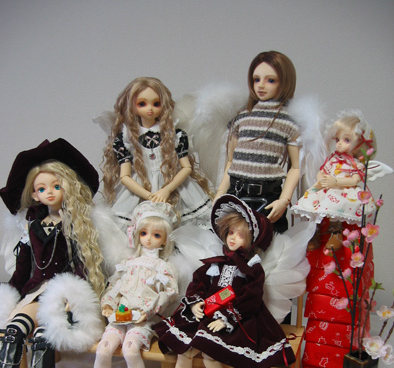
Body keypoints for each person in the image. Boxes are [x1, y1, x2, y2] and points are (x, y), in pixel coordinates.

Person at [152, 194, 295, 368]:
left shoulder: (252, 268)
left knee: (211, 355)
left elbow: (251, 297)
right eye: (230, 232)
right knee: (185, 351)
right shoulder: (215, 262)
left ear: (252, 240)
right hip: (207, 313)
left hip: (237, 317)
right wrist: (196, 302)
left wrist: (228, 316)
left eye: (240, 235)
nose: (233, 238)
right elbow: (199, 283)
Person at [0, 139, 106, 368]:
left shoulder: (76, 223)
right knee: (14, 332)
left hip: (62, 293)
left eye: (56, 186)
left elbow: (82, 265)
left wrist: (77, 298)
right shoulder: (31, 226)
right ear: (34, 194)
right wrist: (12, 298)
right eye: (42, 188)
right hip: (35, 291)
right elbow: (23, 268)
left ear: (67, 187)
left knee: (44, 338)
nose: (50, 192)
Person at [90, 201, 179, 368]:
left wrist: (149, 311)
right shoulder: (129, 263)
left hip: (143, 318)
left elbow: (169, 293)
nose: (148, 239)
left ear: (165, 239)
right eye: (144, 233)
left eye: (156, 235)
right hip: (120, 315)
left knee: (131, 350)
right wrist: (108, 304)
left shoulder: (164, 267)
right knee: (103, 349)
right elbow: (115, 286)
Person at [101, 77, 213, 229]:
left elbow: (186, 168)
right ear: (131, 106)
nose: (150, 109)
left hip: (175, 188)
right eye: (142, 104)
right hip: (140, 191)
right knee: (140, 232)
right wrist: (148, 196)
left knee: (183, 230)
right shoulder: (126, 138)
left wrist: (167, 189)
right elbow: (125, 177)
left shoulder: (175, 135)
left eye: (156, 103)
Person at [215, 51, 300, 234]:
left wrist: (284, 200)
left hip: (267, 197)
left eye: (271, 80)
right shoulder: (241, 117)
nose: (261, 85)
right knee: (233, 242)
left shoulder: (289, 121)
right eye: (256, 79)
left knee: (268, 243)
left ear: (285, 82)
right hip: (236, 193)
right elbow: (231, 161)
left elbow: (295, 167)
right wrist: (220, 193)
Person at [291, 110, 376, 250]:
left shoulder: (355, 164)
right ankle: (314, 232)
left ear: (359, 144)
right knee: (312, 203)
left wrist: (335, 182)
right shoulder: (333, 159)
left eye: (346, 140)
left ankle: (336, 233)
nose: (339, 144)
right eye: (337, 140)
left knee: (334, 205)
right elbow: (322, 171)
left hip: (343, 191)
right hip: (327, 187)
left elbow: (354, 180)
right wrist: (321, 179)